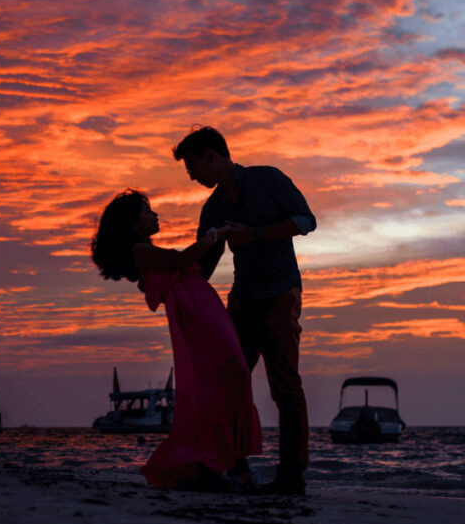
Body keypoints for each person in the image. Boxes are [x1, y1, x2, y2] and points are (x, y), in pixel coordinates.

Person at [173, 126, 316, 496]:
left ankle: (291, 477)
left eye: (192, 165)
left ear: (212, 156)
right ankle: (234, 470)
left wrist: (254, 233)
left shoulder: (268, 179)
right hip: (241, 301)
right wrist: (175, 288)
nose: (190, 175)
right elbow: (205, 263)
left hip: (282, 293)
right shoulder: (214, 208)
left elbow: (306, 221)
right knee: (225, 383)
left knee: (285, 386)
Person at [91, 189, 262, 492]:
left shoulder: (146, 250)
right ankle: (225, 466)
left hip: (203, 309)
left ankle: (221, 464)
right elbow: (184, 258)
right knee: (229, 377)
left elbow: (189, 261)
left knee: (229, 379)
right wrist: (214, 233)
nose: (154, 215)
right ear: (133, 223)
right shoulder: (139, 251)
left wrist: (216, 239)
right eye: (147, 211)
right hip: (197, 317)